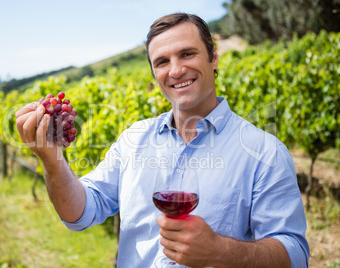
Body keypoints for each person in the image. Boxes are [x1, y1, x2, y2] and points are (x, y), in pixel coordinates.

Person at [16, 13, 309, 268]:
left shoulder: (265, 153)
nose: (176, 70)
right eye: (162, 61)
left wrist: (221, 252)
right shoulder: (133, 140)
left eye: (187, 54)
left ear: (213, 56)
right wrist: (51, 159)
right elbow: (80, 213)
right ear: (154, 73)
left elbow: (295, 256)